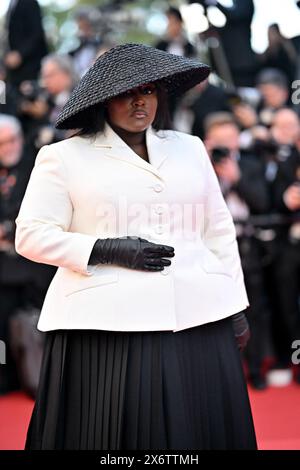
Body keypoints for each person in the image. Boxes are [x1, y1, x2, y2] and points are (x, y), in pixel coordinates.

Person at [15, 43, 257, 450]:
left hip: (201, 314)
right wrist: (106, 248)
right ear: (103, 101)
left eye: (147, 89)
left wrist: (235, 304)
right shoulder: (62, 156)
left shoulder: (190, 147)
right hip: (104, 325)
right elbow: (31, 235)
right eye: (126, 92)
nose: (139, 100)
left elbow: (218, 231)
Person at [4, 0, 48, 88]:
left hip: (31, 67)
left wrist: (20, 54)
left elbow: (37, 33)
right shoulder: (11, 5)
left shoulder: (29, 2)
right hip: (15, 71)